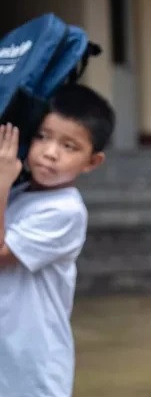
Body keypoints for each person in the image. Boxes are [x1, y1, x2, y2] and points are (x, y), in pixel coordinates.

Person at [0, 84, 115, 397]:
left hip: (32, 363)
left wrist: (1, 180)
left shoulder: (65, 210)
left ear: (92, 161)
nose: (50, 152)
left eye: (69, 146)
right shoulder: (19, 193)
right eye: (42, 136)